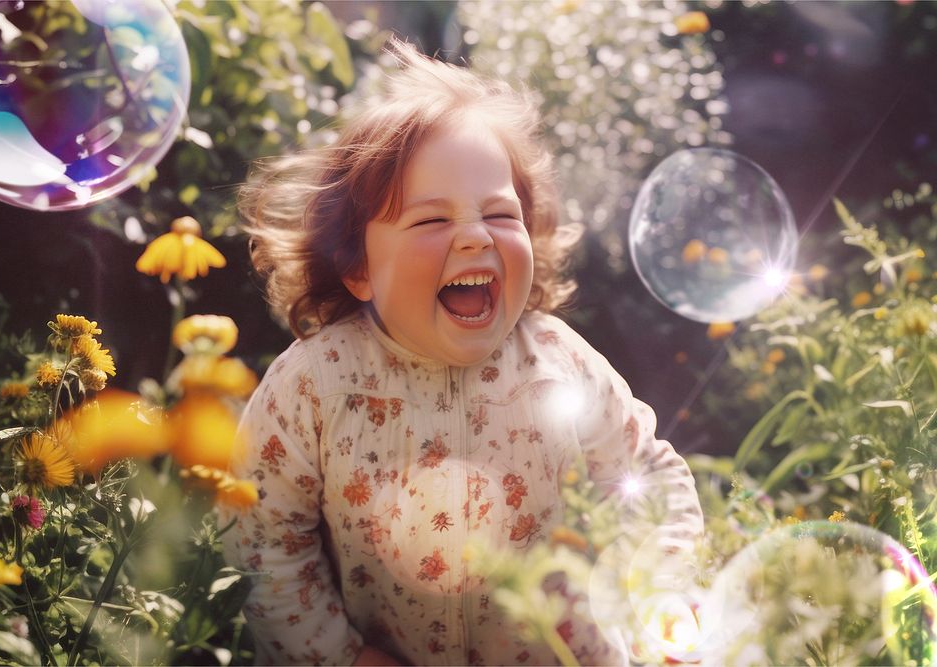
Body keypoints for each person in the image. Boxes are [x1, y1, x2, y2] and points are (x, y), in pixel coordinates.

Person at [224, 40, 704, 666]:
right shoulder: (315, 385)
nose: (476, 236)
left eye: (502, 215)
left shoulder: (561, 364)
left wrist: (658, 589)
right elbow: (262, 540)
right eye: (430, 222)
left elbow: (646, 477)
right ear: (357, 268)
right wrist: (341, 657)